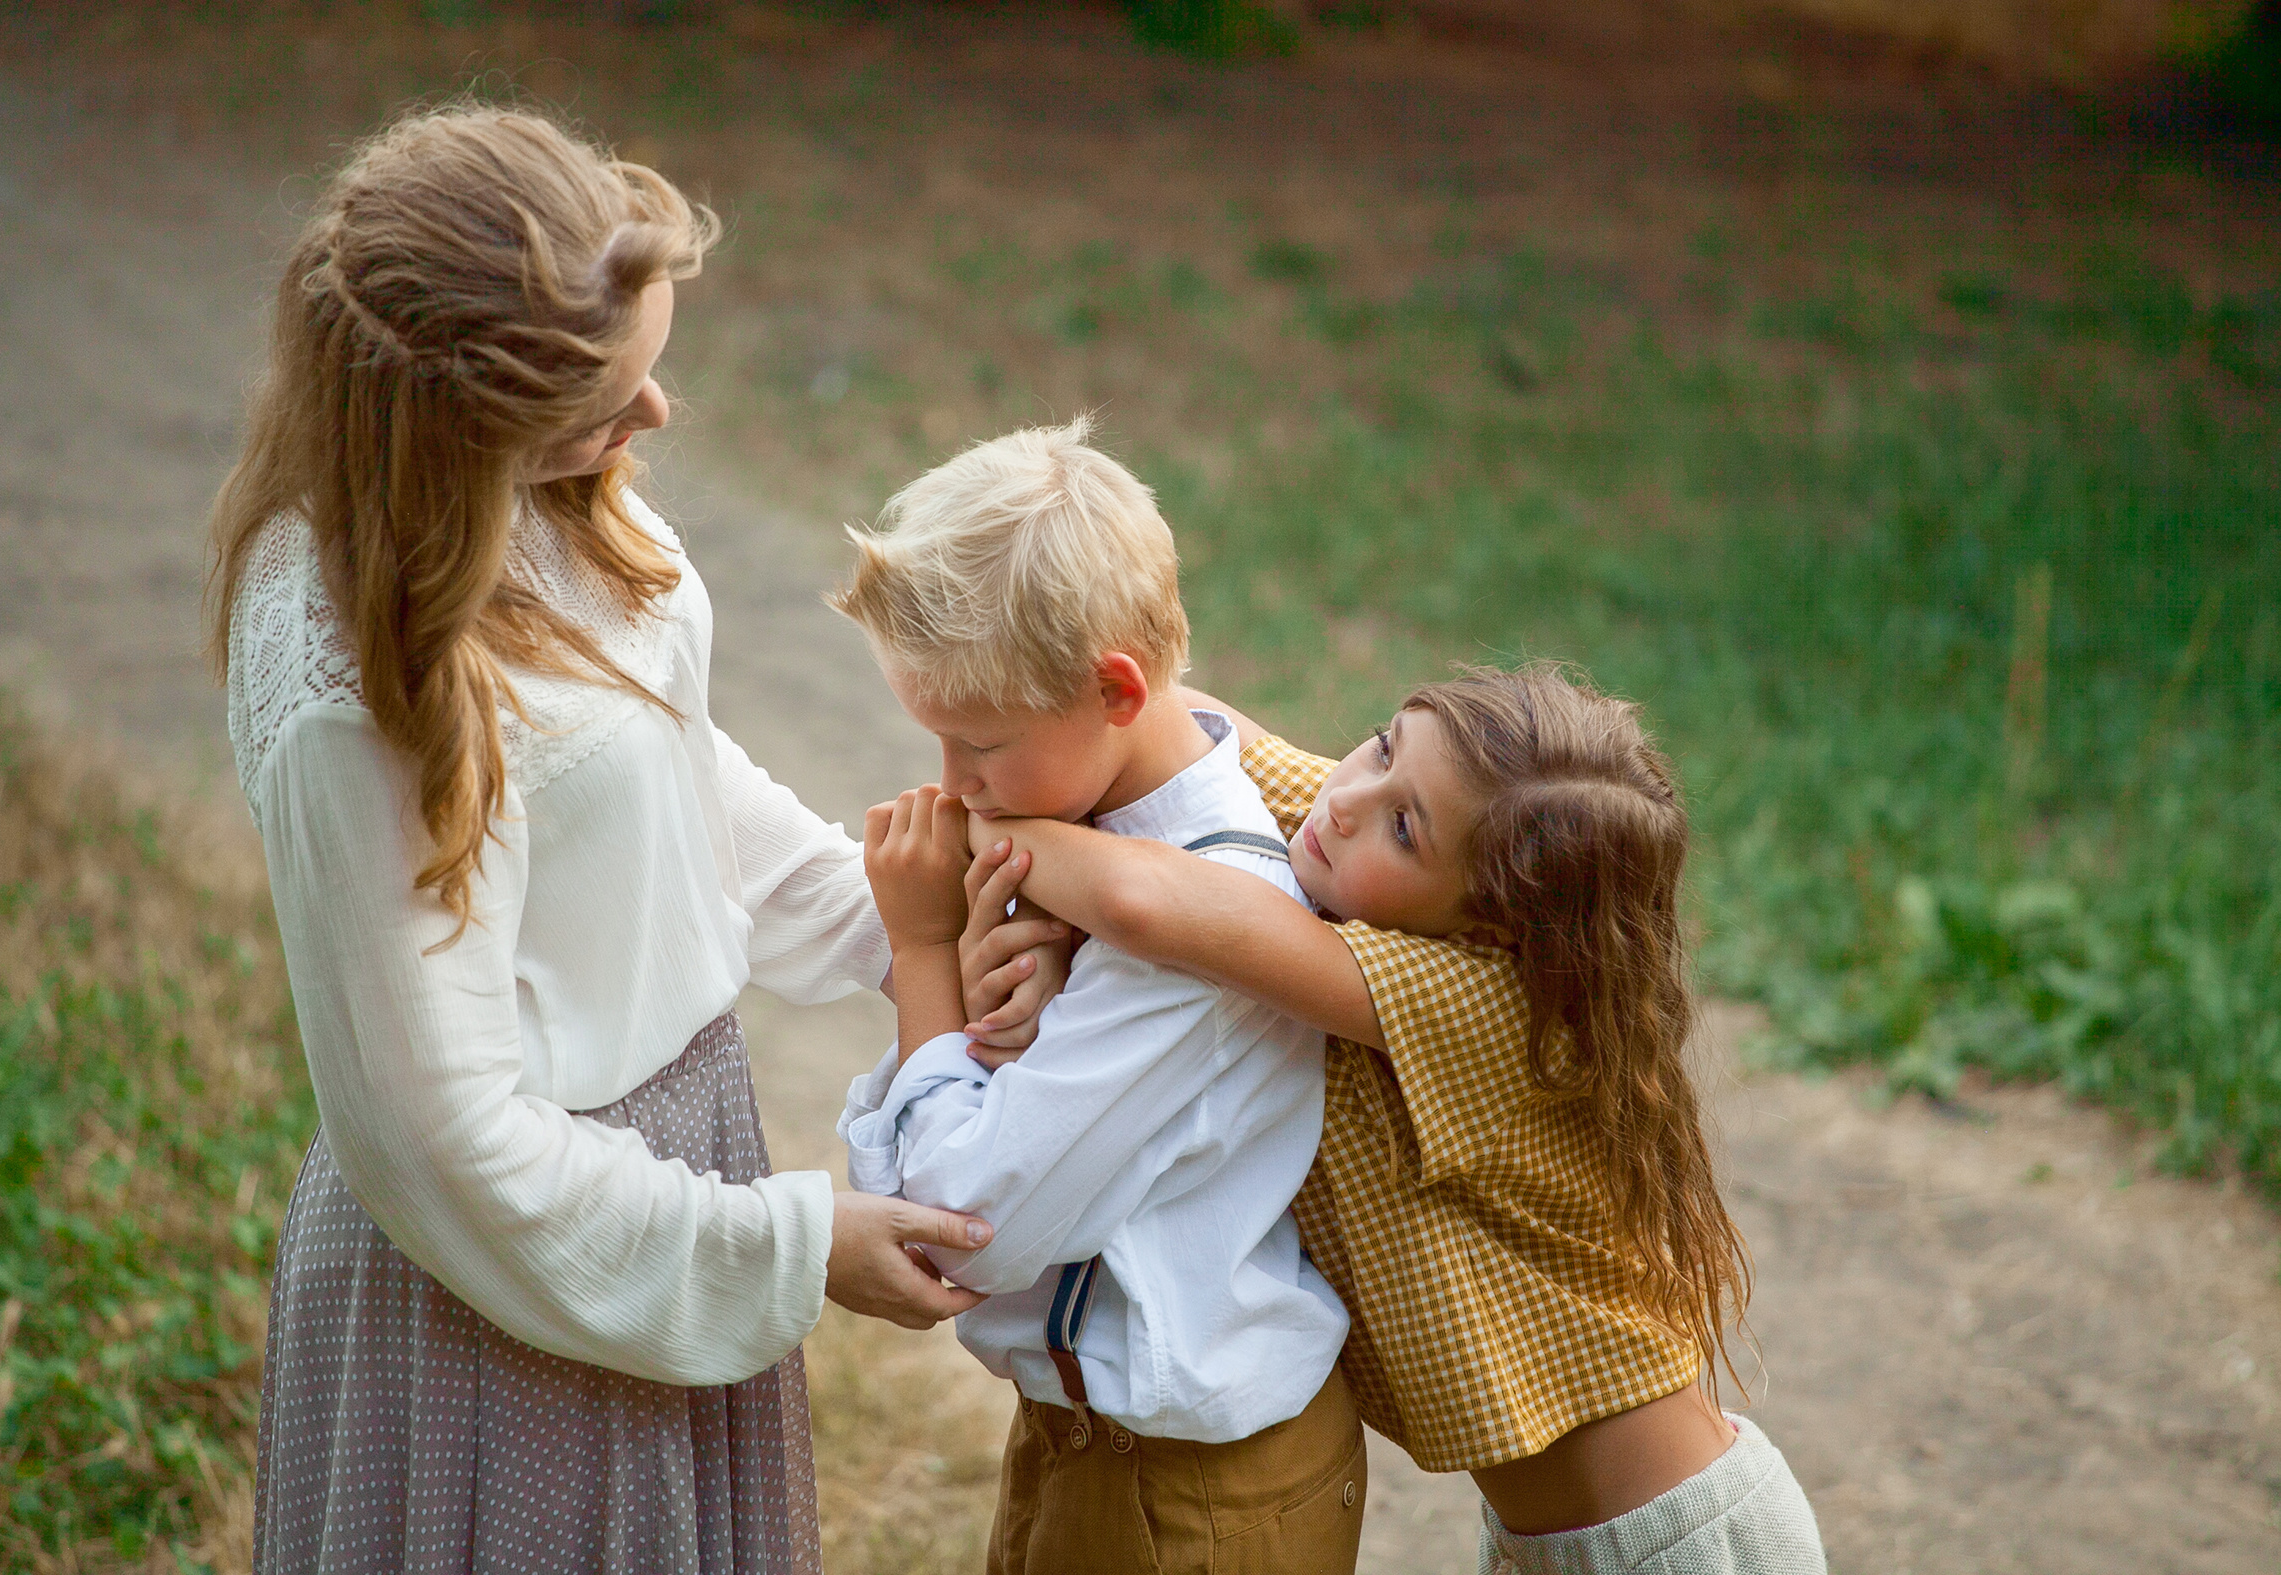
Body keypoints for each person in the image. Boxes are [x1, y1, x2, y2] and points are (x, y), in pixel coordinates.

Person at [206, 105, 999, 1575]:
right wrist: (792, 1244)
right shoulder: (357, 698)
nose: (656, 420)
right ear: (448, 424)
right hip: (521, 1280)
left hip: (669, 1164)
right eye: (608, 398)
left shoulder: (538, 496)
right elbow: (444, 1138)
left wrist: (900, 927)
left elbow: (659, 767)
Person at [959, 664, 1831, 1575]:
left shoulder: (1496, 1006)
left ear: (1494, 928)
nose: (1349, 799)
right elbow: (1177, 719)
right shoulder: (1365, 832)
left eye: (1404, 823)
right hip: (1551, 1541)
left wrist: (977, 812)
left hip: (1672, 1546)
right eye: (1381, 742)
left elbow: (1146, 902)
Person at [828, 420, 1368, 1574]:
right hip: (1104, 1447)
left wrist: (922, 955)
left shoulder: (1188, 935)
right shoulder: (1103, 836)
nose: (951, 785)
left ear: (1114, 688)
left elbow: (965, 1227)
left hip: (1184, 1497)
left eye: (980, 743)